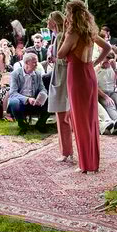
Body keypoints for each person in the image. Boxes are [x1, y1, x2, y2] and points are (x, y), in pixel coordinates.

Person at [58, 0, 114, 173]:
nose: (66, 16)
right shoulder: (89, 32)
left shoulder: (73, 33)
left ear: (71, 14)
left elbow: (60, 54)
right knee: (90, 119)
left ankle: (85, 164)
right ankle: (91, 162)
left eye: (67, 13)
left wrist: (63, 33)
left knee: (80, 120)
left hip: (77, 76)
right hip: (89, 72)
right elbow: (107, 47)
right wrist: (95, 62)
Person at [45, 10, 74, 162]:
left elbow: (66, 59)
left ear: (54, 21)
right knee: (61, 116)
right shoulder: (56, 36)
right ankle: (66, 150)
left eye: (49, 20)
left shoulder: (61, 36)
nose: (47, 23)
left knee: (62, 116)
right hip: (59, 76)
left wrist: (55, 59)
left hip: (62, 78)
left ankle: (66, 151)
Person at [7, 52, 49, 132]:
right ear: (26, 63)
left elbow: (42, 88)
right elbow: (13, 93)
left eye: (36, 62)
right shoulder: (15, 74)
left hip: (34, 101)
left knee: (51, 99)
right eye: (34, 62)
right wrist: (27, 99)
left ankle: (40, 123)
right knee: (14, 102)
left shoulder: (37, 74)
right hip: (21, 101)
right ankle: (21, 123)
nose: (37, 64)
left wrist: (41, 96)